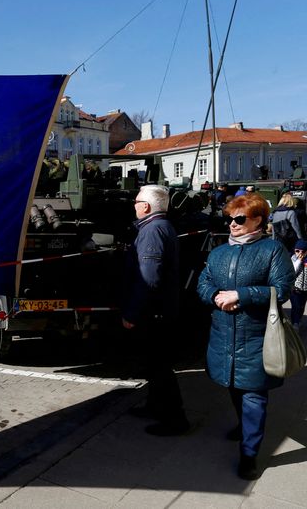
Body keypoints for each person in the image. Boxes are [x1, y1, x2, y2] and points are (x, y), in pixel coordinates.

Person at [196, 193, 295, 480]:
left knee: (253, 394)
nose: (232, 224)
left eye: (239, 219)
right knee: (233, 385)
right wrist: (215, 296)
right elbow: (203, 283)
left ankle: (249, 453)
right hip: (223, 333)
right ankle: (244, 425)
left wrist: (242, 295)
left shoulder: (272, 250)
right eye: (229, 219)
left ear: (258, 220)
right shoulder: (219, 252)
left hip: (257, 336)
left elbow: (281, 289)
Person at [122, 184, 189, 436]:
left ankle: (176, 419)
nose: (134, 204)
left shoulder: (152, 230)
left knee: (160, 367)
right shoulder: (160, 227)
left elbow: (148, 278)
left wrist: (132, 313)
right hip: (159, 311)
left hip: (154, 314)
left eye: (137, 201)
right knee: (154, 364)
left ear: (146, 207)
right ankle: (155, 406)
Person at [290, 239, 307, 326]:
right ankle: (295, 323)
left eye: (303, 251)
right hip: (295, 289)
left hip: (305, 289)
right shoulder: (293, 259)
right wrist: (299, 261)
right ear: (294, 251)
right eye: (297, 251)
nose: (300, 253)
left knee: (301, 307)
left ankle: (298, 320)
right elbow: (293, 271)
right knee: (295, 307)